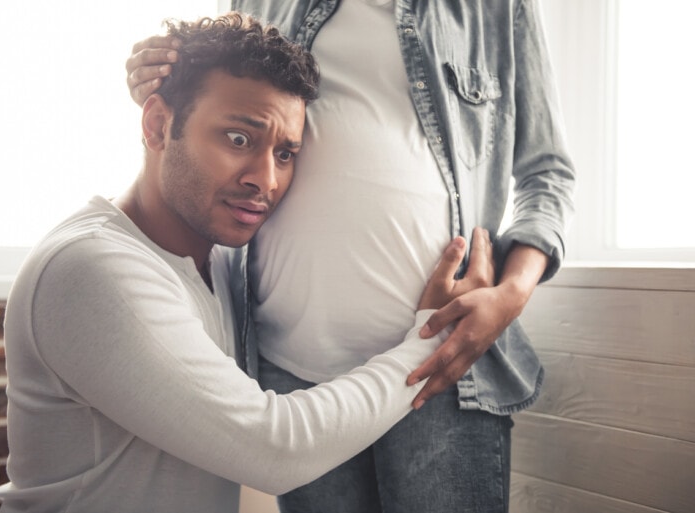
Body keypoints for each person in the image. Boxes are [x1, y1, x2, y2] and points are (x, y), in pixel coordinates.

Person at [0, 12, 496, 513]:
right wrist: (431, 338)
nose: (267, 180)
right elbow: (275, 449)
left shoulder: (221, 267)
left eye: (285, 153)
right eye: (239, 139)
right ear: (157, 124)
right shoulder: (91, 268)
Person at [126, 1, 576, 512]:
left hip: (446, 365)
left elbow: (548, 174)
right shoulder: (258, 4)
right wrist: (159, 76)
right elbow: (207, 114)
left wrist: (511, 295)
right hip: (290, 369)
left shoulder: (496, 9)